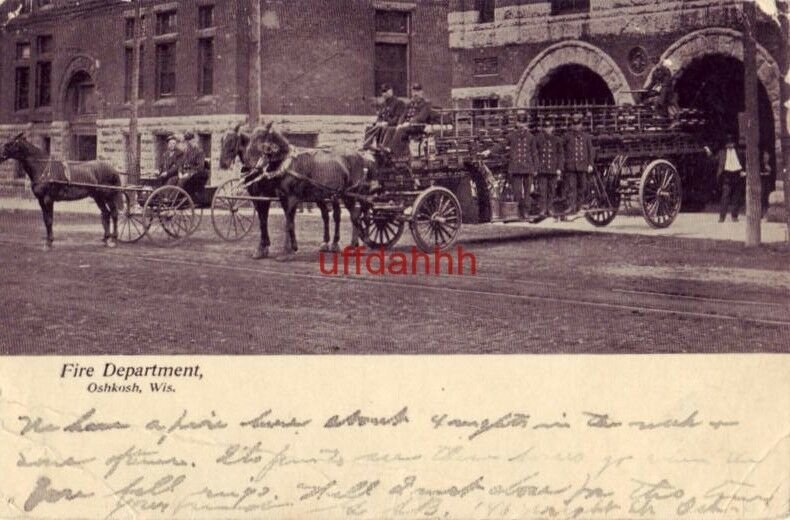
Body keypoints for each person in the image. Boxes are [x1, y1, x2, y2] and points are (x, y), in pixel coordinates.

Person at [487, 118, 536, 219]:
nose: (521, 125)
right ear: (517, 123)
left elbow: (534, 153)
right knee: (517, 192)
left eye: (523, 123)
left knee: (527, 192)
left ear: (526, 124)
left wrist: (535, 168)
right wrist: (489, 151)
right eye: (520, 122)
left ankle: (526, 212)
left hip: (528, 168)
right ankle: (519, 211)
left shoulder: (531, 137)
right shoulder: (512, 136)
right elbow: (501, 145)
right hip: (516, 168)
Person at [383, 82, 433, 158]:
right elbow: (403, 115)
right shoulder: (410, 104)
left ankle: (392, 152)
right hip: (408, 126)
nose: (415, 94)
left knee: (401, 130)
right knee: (391, 129)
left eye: (417, 91)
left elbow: (420, 118)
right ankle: (385, 149)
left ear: (421, 92)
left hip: (418, 127)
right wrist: (399, 124)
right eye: (413, 91)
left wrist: (408, 123)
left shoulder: (426, 104)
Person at [562, 113, 596, 212]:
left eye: (578, 124)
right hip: (571, 166)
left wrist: (590, 164)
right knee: (571, 187)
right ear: (571, 125)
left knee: (582, 187)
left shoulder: (586, 137)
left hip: (582, 166)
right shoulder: (567, 136)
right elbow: (562, 149)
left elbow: (590, 151)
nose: (576, 127)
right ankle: (571, 206)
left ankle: (580, 206)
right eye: (574, 124)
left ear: (581, 125)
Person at [533, 114, 564, 216]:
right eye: (546, 127)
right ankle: (542, 209)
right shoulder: (537, 139)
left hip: (553, 169)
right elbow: (535, 154)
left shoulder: (557, 140)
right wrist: (536, 168)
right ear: (543, 128)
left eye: (549, 127)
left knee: (551, 190)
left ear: (553, 128)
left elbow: (560, 155)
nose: (548, 129)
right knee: (542, 191)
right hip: (542, 169)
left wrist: (559, 168)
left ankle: (550, 208)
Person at [362, 84, 406, 151]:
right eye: (383, 92)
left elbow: (398, 118)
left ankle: (384, 148)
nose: (384, 94)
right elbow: (380, 116)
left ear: (391, 91)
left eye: (386, 91)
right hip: (383, 125)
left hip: (393, 125)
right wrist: (378, 123)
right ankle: (367, 145)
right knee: (370, 127)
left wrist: (387, 123)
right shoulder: (383, 104)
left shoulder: (399, 103)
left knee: (385, 128)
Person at [715, 136, 746, 222]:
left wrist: (743, 171)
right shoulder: (722, 152)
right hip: (727, 176)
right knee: (725, 196)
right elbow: (714, 160)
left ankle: (734, 216)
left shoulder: (739, 152)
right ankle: (722, 217)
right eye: (728, 143)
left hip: (737, 175)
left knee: (736, 197)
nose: (730, 145)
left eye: (731, 143)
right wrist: (709, 153)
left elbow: (744, 161)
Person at [178, 131, 209, 199]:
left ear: (194, 140)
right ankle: (170, 198)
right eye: (187, 141)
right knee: (174, 179)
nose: (188, 143)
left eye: (190, 141)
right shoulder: (186, 151)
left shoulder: (199, 152)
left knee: (182, 181)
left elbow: (200, 167)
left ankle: (176, 199)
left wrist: (189, 174)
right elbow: (181, 164)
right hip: (184, 173)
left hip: (195, 174)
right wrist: (180, 172)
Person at [760, 150, 773, 219]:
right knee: (761, 197)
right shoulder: (761, 164)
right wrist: (764, 173)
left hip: (768, 183)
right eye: (765, 156)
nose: (766, 158)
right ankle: (761, 213)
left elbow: (772, 174)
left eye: (767, 156)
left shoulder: (771, 164)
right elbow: (759, 173)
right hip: (762, 182)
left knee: (768, 197)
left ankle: (768, 213)